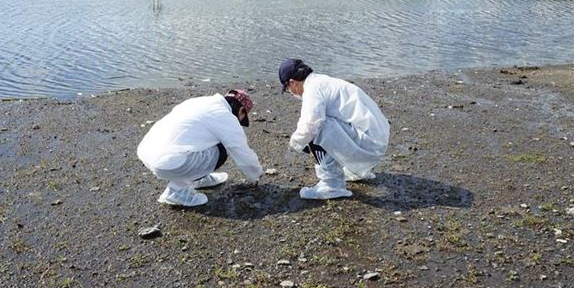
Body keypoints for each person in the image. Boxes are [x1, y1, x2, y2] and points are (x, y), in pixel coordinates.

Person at [279, 59, 390, 199]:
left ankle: (331, 185)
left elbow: (310, 124)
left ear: (292, 82)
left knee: (317, 127)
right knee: (324, 123)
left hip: (369, 146)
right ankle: (356, 170)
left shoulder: (313, 90)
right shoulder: (322, 81)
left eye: (288, 89)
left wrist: (294, 145)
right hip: (376, 140)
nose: (291, 92)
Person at [137, 89, 263, 207]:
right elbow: (240, 150)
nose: (240, 122)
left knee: (204, 140)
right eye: (242, 118)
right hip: (168, 162)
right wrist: (255, 175)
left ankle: (199, 178)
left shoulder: (198, 102)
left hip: (147, 153)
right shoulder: (224, 115)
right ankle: (176, 191)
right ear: (241, 110)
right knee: (222, 149)